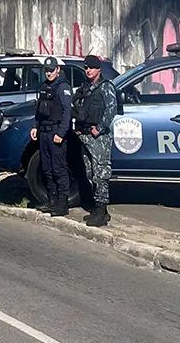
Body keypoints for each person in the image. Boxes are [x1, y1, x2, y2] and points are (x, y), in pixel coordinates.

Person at [73, 54, 118, 227]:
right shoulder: (85, 87)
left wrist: (98, 129)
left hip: (99, 138)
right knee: (90, 173)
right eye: (86, 67)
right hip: (85, 136)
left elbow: (111, 109)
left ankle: (101, 210)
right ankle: (99, 209)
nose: (88, 70)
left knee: (101, 173)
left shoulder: (106, 87)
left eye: (91, 67)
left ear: (98, 69)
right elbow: (77, 107)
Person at [32, 56, 73, 217]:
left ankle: (62, 204)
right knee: (47, 168)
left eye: (51, 70)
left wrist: (61, 133)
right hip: (44, 132)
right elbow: (39, 111)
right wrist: (35, 127)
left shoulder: (62, 87)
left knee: (59, 169)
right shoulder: (44, 86)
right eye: (47, 70)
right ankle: (52, 201)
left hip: (56, 133)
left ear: (58, 70)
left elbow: (66, 113)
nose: (48, 73)